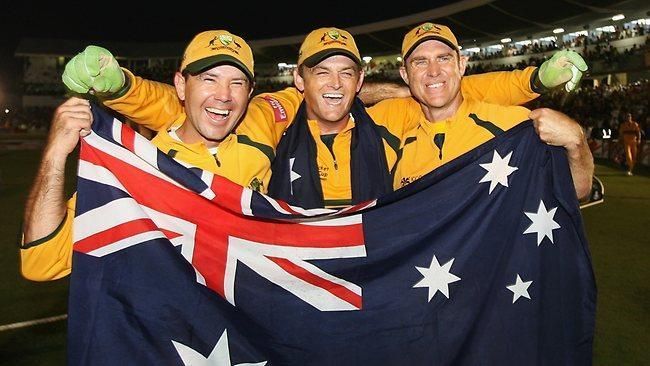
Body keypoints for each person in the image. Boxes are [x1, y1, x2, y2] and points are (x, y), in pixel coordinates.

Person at [61, 28, 588, 207]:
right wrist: (121, 86)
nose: (333, 84)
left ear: (360, 81)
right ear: (299, 80)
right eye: (320, 72)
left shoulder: (395, 119)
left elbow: (447, 90)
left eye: (346, 73)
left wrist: (533, 82)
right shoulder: (270, 117)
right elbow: (186, 103)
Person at [21, 29, 261, 280]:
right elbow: (41, 261)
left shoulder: (261, 135)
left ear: (250, 92)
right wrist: (55, 154)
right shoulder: (140, 169)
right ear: (181, 85)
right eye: (208, 79)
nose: (224, 95)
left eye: (237, 83)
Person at [378, 22, 593, 197]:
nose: (434, 71)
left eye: (443, 58)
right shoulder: (392, 135)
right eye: (420, 62)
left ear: (461, 65)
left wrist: (577, 142)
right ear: (405, 75)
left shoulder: (512, 125)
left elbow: (578, 189)